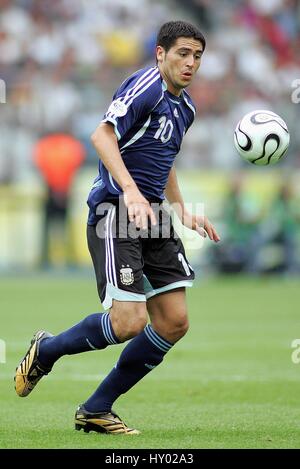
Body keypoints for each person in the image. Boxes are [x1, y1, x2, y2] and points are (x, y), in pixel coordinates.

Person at [15, 20, 220, 435]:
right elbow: (102, 135)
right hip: (116, 212)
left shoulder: (186, 108)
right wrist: (129, 190)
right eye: (182, 53)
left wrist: (181, 210)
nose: (190, 63)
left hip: (154, 216)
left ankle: (96, 408)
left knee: (174, 322)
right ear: (160, 53)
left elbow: (165, 160)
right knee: (129, 322)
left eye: (197, 56)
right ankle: (47, 350)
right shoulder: (146, 86)